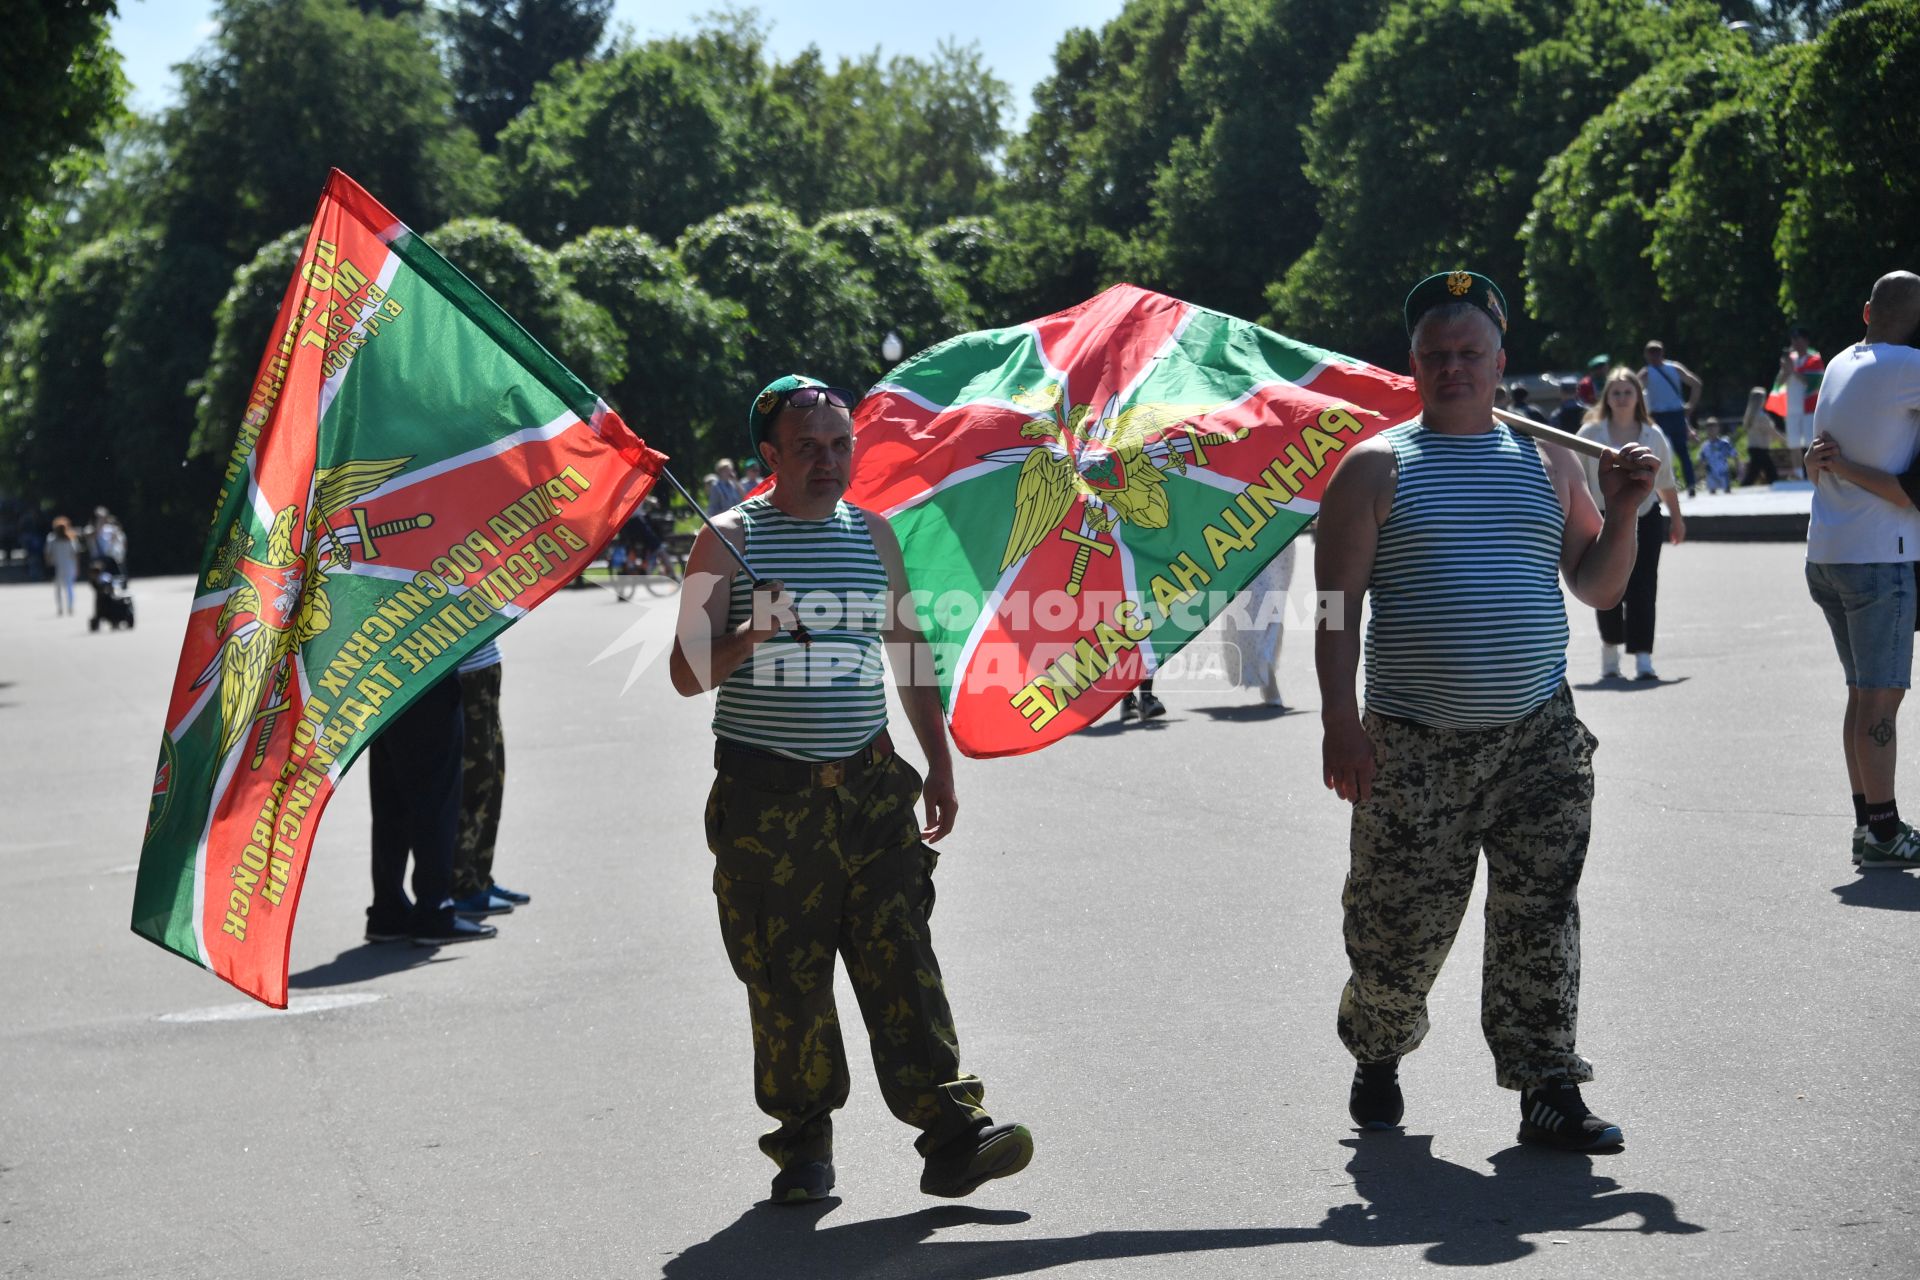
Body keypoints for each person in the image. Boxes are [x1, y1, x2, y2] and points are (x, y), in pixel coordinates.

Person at [1315, 270, 1656, 1152]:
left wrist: (1622, 514)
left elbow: (1597, 585)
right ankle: (1379, 1050)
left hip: (1538, 737)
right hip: (1413, 748)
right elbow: (1333, 610)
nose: (1454, 367)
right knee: (1396, 939)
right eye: (1437, 355)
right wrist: (1338, 724)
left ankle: (1547, 1085)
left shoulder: (1549, 458)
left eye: (1471, 352)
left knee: (1540, 913)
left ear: (1502, 359)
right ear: (1415, 365)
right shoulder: (1376, 468)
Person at [670, 373, 1031, 1205]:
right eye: (809, 448)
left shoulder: (871, 534)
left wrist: (936, 761)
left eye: (840, 444)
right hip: (770, 798)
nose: (830, 461)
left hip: (872, 786)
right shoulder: (726, 539)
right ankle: (803, 1147)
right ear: (770, 455)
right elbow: (685, 672)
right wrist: (751, 630)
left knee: (902, 956)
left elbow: (907, 650)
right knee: (786, 974)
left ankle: (950, 1133)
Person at [1800, 270, 1920, 869]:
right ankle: (1885, 831)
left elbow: (1815, 460)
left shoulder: (1842, 361)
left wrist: (1836, 467)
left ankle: (1866, 822)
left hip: (1826, 554)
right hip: (1880, 559)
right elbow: (1905, 495)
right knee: (1882, 701)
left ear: (1866, 311)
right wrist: (1845, 469)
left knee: (1859, 693)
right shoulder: (1909, 368)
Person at [363, 674, 497, 946]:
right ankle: (433, 909)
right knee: (436, 800)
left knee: (390, 799)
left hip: (384, 675)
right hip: (430, 670)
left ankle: (388, 909)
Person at [1577, 368, 1686, 680]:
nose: (1622, 398)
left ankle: (1643, 657)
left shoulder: (1653, 435)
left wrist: (1677, 519)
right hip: (1601, 517)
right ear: (1606, 398)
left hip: (1646, 518)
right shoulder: (1590, 435)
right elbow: (1578, 480)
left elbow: (1666, 482)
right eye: (1616, 393)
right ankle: (1609, 653)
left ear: (1639, 396)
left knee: (1643, 585)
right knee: (1606, 585)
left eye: (1628, 392)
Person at [448, 639, 530, 917]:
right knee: (474, 782)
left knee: (492, 779)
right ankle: (460, 886)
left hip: (484, 662)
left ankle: (479, 877)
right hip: (464, 667)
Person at [1206, 541, 1298, 708]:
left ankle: (1266, 667)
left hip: (1281, 537)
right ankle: (1266, 672)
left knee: (1274, 603)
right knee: (1254, 604)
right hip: (1245, 533)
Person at [1638, 340, 1703, 496]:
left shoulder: (1647, 373)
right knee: (1680, 453)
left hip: (1661, 416)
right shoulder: (1674, 368)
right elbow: (1696, 384)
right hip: (1674, 414)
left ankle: (1661, 489)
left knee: (1660, 453)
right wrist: (1690, 406)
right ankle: (1689, 486)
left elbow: (1634, 390)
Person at [1777, 326, 1825, 479]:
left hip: (1809, 408)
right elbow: (1779, 383)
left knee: (1811, 441)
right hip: (1792, 407)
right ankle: (1798, 473)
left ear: (1806, 341)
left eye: (1799, 340)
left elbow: (1812, 382)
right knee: (1794, 443)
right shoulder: (1789, 359)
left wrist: (1792, 371)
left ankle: (1816, 473)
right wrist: (1785, 371)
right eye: (1793, 340)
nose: (1796, 343)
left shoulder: (1814, 359)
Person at [1740, 387, 1782, 487]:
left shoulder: (1749, 416)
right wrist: (1786, 441)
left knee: (1754, 474)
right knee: (1771, 474)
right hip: (1761, 449)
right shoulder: (1762, 417)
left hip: (1753, 448)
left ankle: (1743, 487)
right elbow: (1772, 432)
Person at [45, 516, 79, 616]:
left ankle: (60, 608)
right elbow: (75, 554)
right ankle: (70, 607)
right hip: (69, 565)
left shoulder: (51, 539)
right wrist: (77, 567)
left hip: (57, 566)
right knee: (69, 587)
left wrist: (48, 564)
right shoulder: (70, 539)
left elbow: (47, 554)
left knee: (58, 588)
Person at [1699, 423, 1738, 495]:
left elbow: (1734, 455)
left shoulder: (1724, 443)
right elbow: (1701, 460)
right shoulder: (1705, 446)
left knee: (1727, 494)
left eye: (1713, 429)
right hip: (1711, 475)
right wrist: (1701, 475)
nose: (1711, 431)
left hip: (1724, 474)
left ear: (1718, 429)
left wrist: (1738, 469)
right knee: (1712, 495)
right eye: (1709, 429)